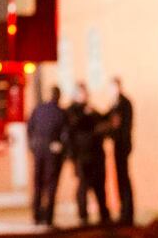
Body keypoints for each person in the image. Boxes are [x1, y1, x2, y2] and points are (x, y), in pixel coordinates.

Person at [65, 82, 110, 226]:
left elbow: (102, 122)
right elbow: (72, 129)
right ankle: (83, 215)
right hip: (81, 155)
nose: (85, 96)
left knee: (99, 185)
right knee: (83, 186)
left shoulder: (91, 110)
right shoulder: (72, 111)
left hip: (96, 154)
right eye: (82, 93)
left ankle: (104, 213)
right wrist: (72, 156)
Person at [27, 85, 67, 227]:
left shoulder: (38, 110)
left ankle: (36, 215)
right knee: (51, 184)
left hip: (39, 150)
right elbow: (65, 134)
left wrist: (33, 146)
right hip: (51, 153)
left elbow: (29, 128)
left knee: (38, 183)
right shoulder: (60, 113)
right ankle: (48, 217)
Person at [106, 76, 134, 225]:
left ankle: (127, 213)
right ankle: (125, 211)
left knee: (123, 178)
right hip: (120, 144)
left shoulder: (122, 104)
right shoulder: (118, 104)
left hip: (122, 145)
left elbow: (117, 125)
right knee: (122, 178)